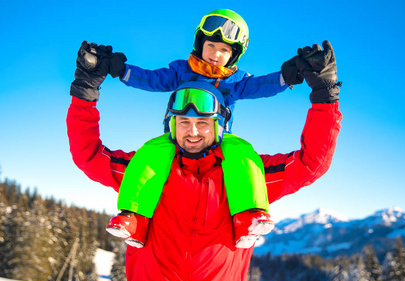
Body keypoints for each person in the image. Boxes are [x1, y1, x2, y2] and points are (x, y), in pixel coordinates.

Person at [68, 39, 342, 281]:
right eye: (183, 122)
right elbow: (88, 154)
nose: (193, 132)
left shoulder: (246, 175)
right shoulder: (145, 172)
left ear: (220, 125)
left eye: (203, 122)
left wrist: (325, 98)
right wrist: (85, 91)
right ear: (171, 124)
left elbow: (311, 163)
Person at [80, 8, 304, 246]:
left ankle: (246, 217)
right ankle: (134, 218)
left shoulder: (234, 81)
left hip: (217, 139)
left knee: (243, 155)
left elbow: (261, 85)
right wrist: (122, 70)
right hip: (177, 134)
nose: (216, 54)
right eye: (211, 46)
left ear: (234, 55)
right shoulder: (182, 71)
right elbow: (153, 79)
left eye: (224, 50)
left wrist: (286, 77)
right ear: (200, 44)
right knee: (148, 156)